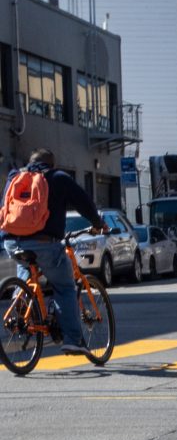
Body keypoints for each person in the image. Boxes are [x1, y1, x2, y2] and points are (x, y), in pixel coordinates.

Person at [1, 149, 108, 354]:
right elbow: (83, 202)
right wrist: (98, 223)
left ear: (30, 162)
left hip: (12, 242)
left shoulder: (15, 177)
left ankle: (21, 301)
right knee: (65, 287)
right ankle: (72, 340)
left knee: (27, 269)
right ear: (52, 164)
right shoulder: (58, 178)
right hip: (44, 243)